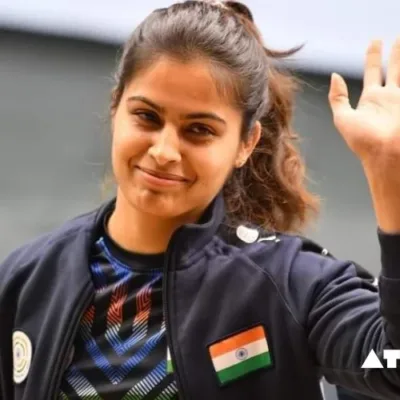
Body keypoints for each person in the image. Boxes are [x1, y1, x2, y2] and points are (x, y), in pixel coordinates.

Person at [1, 1, 400, 399]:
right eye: (147, 117)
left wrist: (389, 176)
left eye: (199, 130)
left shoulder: (293, 284)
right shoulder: (28, 280)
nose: (164, 150)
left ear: (246, 144)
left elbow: (392, 365)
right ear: (115, 106)